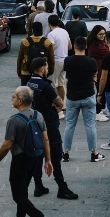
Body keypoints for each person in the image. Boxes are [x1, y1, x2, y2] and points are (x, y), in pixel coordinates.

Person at [0, 86, 55, 217]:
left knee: (17, 194)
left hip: (20, 159)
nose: (11, 99)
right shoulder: (38, 115)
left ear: (20, 101)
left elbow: (7, 144)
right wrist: (48, 160)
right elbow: (46, 139)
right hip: (36, 157)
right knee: (23, 189)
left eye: (13, 97)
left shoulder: (14, 120)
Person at [26, 57, 78, 200]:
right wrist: (55, 103)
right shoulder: (45, 86)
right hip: (49, 124)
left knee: (38, 155)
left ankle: (38, 185)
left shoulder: (29, 83)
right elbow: (59, 102)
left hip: (34, 124)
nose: (48, 70)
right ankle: (62, 187)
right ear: (42, 69)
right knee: (55, 155)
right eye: (47, 67)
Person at [62, 37, 105, 163]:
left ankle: (65, 152)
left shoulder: (68, 60)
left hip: (72, 96)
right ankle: (94, 153)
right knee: (90, 125)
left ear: (74, 46)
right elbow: (94, 74)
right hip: (88, 95)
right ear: (86, 47)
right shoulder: (91, 61)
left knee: (69, 125)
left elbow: (66, 72)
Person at [17, 21, 52, 87]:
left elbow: (20, 58)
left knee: (25, 91)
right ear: (41, 29)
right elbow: (51, 59)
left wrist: (19, 72)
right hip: (41, 71)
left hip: (26, 70)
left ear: (32, 30)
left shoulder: (24, 41)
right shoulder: (47, 42)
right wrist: (49, 71)